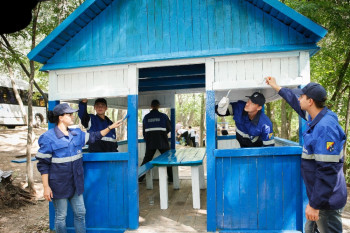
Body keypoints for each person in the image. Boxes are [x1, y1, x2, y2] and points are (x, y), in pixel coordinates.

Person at [266, 77, 347, 233]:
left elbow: (327, 170)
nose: (299, 98)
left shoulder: (325, 128)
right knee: (309, 230)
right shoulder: (316, 117)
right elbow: (295, 102)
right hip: (319, 198)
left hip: (327, 201)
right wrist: (276, 87)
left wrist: (315, 205)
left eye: (302, 96)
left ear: (310, 101)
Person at [35, 103, 122, 233]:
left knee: (81, 213)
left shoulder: (77, 134)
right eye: (69, 115)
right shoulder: (48, 138)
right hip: (59, 184)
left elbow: (94, 136)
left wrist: (109, 127)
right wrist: (46, 187)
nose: (72, 117)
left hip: (76, 183)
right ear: (61, 117)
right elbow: (43, 164)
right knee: (61, 216)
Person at [139, 100, 173, 182]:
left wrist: (148, 138)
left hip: (150, 142)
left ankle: (139, 178)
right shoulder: (164, 116)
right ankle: (171, 179)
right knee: (168, 159)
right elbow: (169, 128)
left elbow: (144, 132)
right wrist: (162, 134)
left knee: (146, 160)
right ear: (158, 106)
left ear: (151, 106)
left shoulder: (146, 117)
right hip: (162, 141)